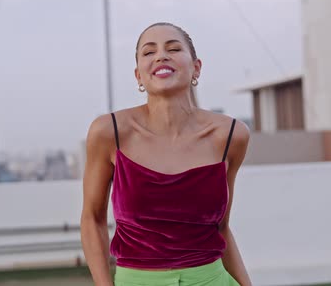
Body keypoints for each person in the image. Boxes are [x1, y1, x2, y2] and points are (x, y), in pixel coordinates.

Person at [81, 22, 252, 286]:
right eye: (149, 52)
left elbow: (221, 228)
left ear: (196, 68)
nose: (161, 55)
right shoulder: (109, 132)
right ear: (139, 75)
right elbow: (92, 219)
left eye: (173, 48)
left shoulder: (231, 135)